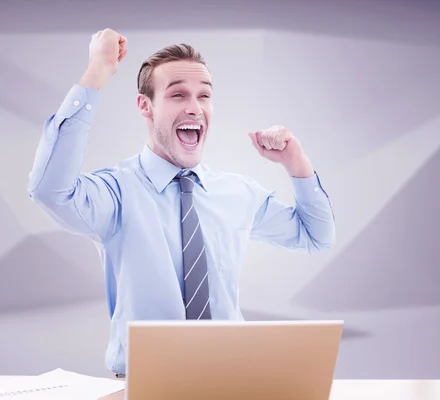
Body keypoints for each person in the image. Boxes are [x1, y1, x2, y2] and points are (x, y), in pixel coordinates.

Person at [27, 28, 336, 377]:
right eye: (177, 95)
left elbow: (316, 235)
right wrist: (97, 70)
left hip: (234, 380)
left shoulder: (238, 194)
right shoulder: (117, 192)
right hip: (147, 385)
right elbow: (49, 190)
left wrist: (296, 164)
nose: (194, 108)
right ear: (146, 106)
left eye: (204, 96)